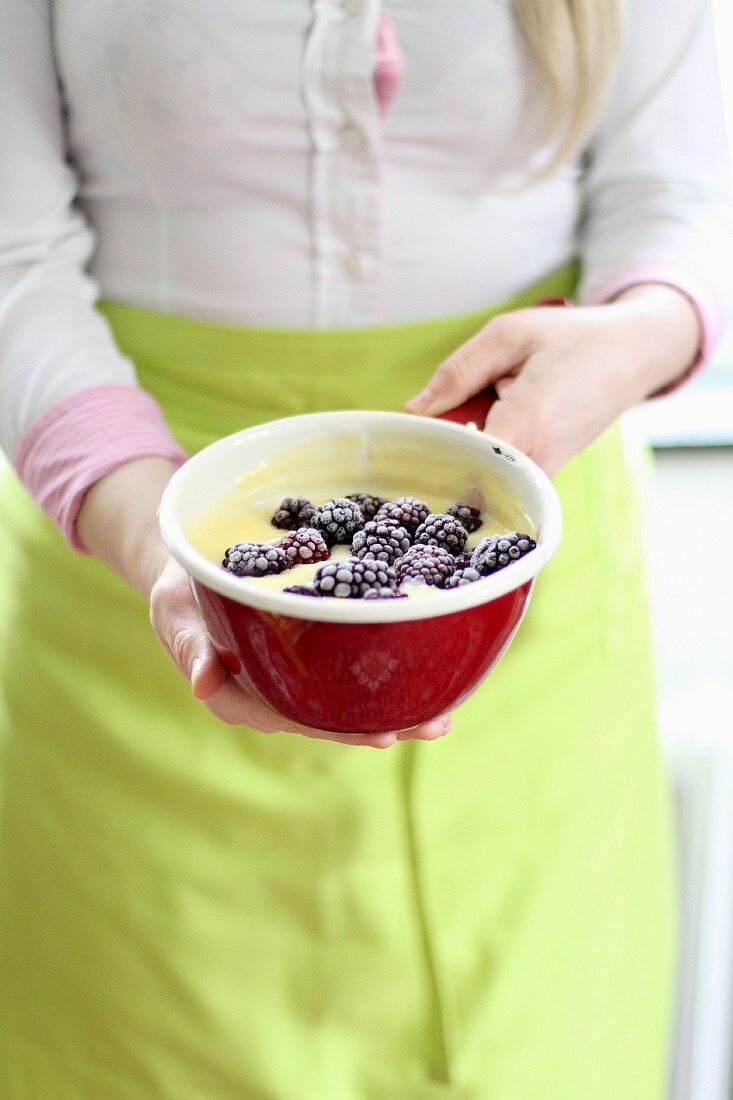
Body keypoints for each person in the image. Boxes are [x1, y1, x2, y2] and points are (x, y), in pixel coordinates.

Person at [0, 1, 730, 1096]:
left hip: (526, 628)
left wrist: (640, 332)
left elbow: (679, 190)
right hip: (125, 583)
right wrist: (159, 545)